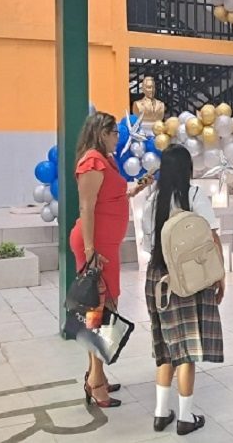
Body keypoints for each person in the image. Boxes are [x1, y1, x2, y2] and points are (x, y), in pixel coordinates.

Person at [69, 112, 152, 408]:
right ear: (100, 132)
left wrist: (137, 188)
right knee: (99, 312)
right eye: (114, 132)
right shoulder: (92, 161)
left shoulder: (106, 160)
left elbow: (112, 198)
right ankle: (96, 381)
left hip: (106, 246)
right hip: (96, 246)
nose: (118, 137)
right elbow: (86, 206)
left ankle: (95, 372)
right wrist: (91, 250)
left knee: (102, 310)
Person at [142, 144, 225, 435]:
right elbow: (210, 237)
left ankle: (160, 413)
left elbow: (147, 245)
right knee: (188, 349)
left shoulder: (152, 201)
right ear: (188, 170)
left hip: (157, 278)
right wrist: (220, 275)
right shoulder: (194, 196)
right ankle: (185, 418)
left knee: (165, 348)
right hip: (189, 279)